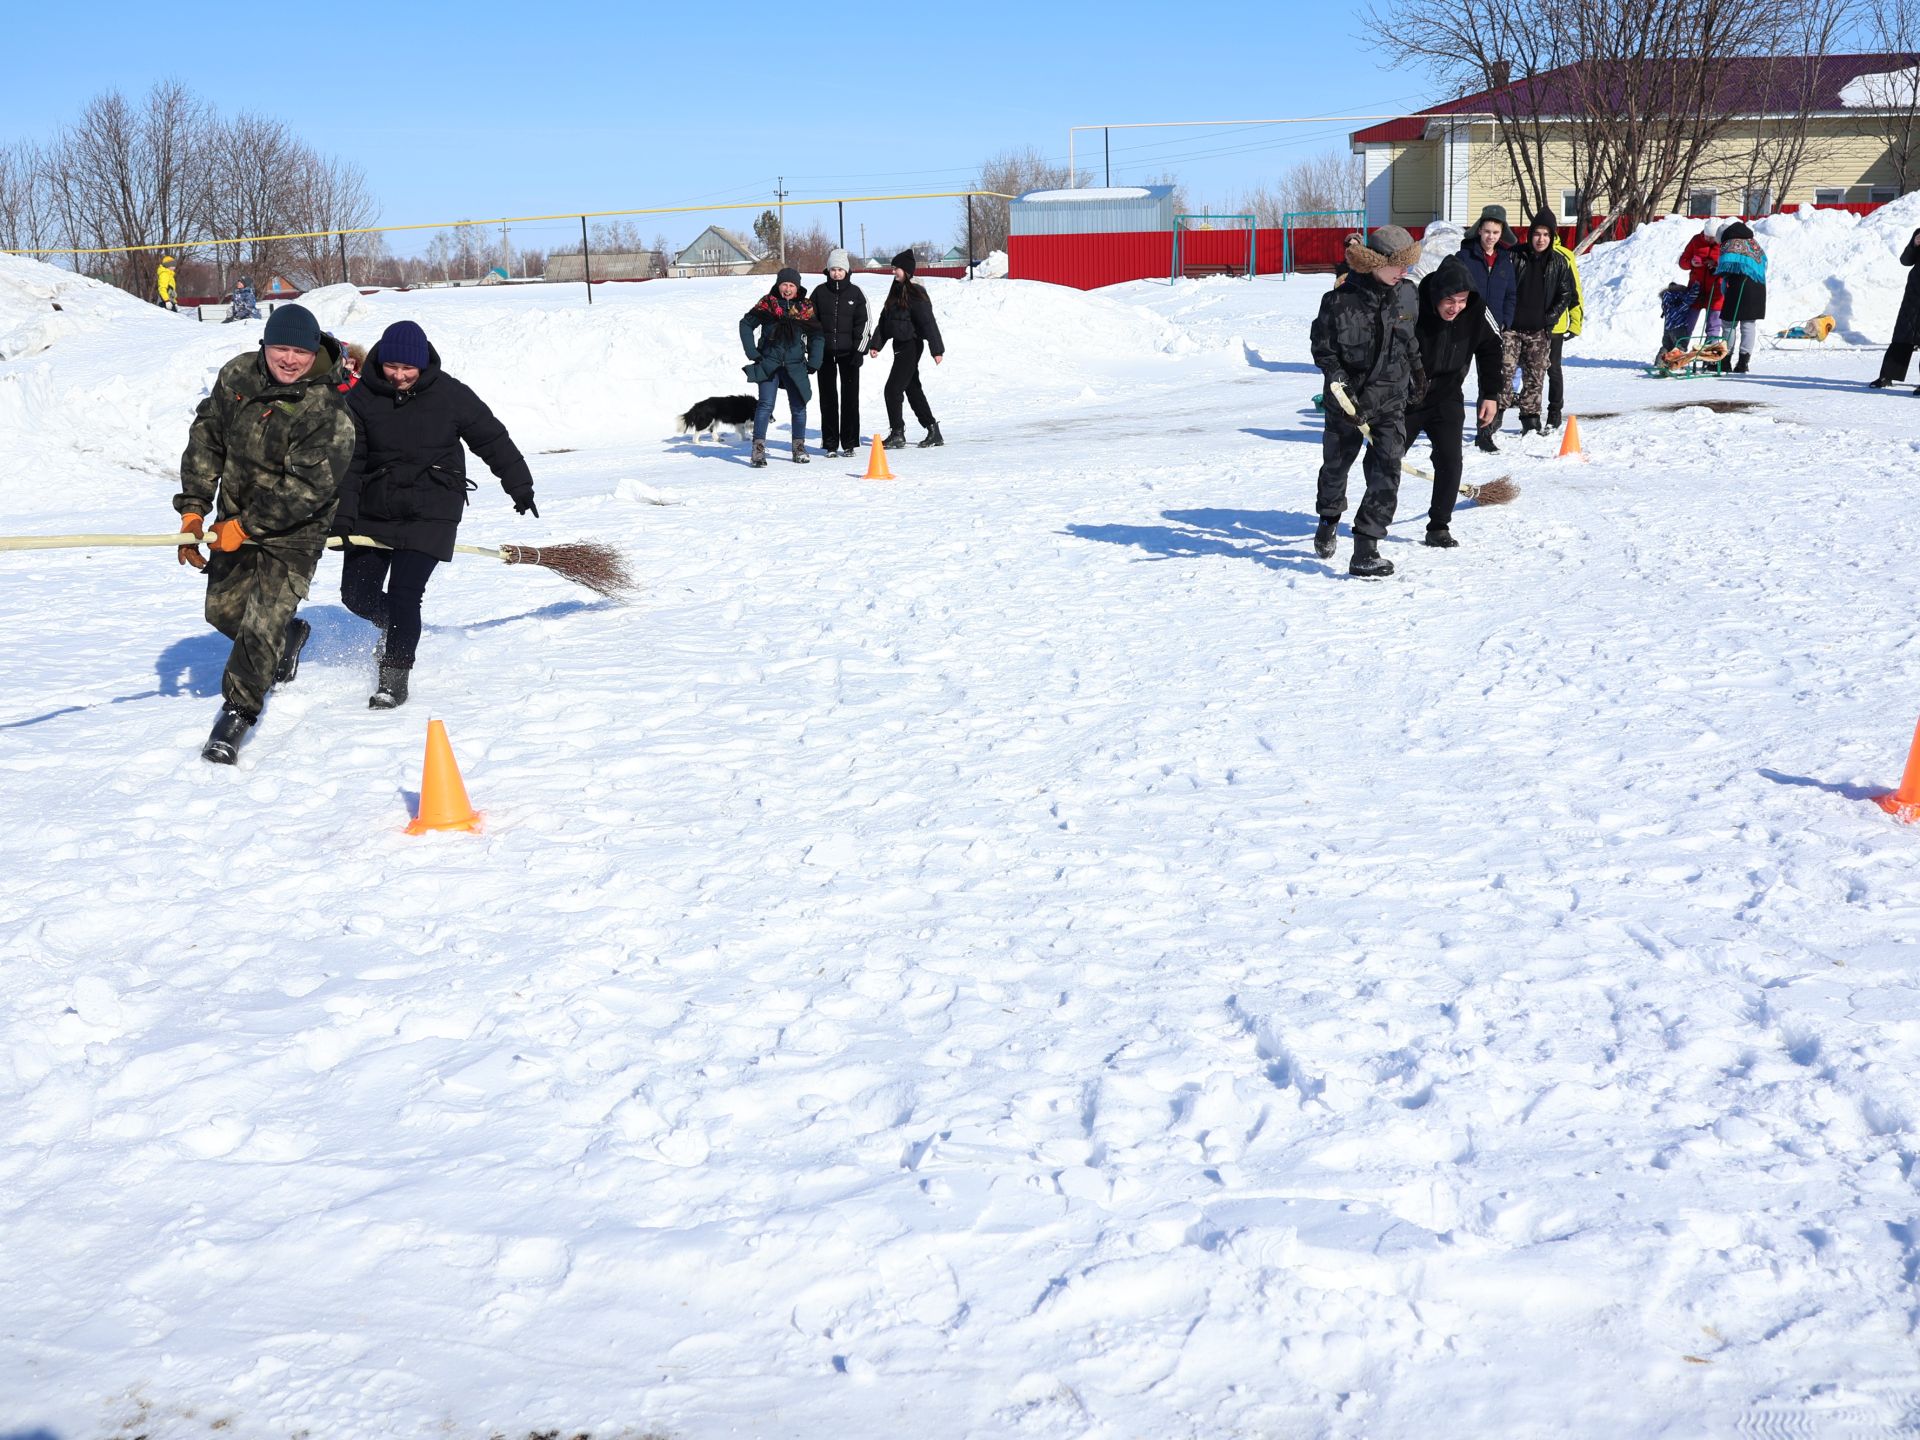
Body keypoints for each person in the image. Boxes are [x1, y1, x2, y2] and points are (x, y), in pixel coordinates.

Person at [174, 302, 356, 763]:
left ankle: (236, 715)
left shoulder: (327, 409)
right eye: (280, 348)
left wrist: (245, 526)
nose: (289, 359)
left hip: (294, 531)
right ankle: (288, 635)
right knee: (223, 613)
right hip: (230, 518)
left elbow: (309, 488)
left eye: (300, 350)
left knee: (258, 630)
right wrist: (194, 511)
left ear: (314, 351)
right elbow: (206, 437)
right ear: (264, 346)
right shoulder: (237, 376)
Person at [333, 319, 539, 709]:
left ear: (423, 363)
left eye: (407, 368)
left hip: (432, 507)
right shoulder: (361, 398)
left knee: (405, 594)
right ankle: (391, 625)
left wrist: (519, 484)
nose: (398, 376)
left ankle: (393, 677)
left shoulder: (451, 395)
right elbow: (350, 462)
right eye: (391, 367)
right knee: (356, 595)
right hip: (375, 508)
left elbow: (491, 438)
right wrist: (343, 518)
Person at [1309, 225, 1423, 579]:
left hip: (1389, 399)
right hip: (1347, 402)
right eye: (1399, 265)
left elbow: (1409, 341)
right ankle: (1328, 518)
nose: (1404, 271)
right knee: (1336, 467)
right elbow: (1323, 349)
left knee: (1387, 467)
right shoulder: (1339, 300)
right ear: (1376, 262)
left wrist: (1419, 373)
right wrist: (1337, 377)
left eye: (1408, 264)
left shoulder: (1408, 294)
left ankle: (1366, 547)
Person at [1405, 255, 1504, 549]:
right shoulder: (1414, 308)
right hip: (1409, 397)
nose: (1456, 307)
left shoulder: (1475, 311)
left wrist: (1490, 393)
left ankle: (1439, 526)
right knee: (1383, 462)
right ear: (1437, 295)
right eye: (1450, 300)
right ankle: (1373, 526)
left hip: (1447, 396)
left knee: (1450, 459)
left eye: (1461, 300)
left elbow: (1491, 348)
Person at [739, 266, 825, 468]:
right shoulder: (767, 304)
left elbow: (817, 335)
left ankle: (799, 448)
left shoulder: (805, 307)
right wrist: (752, 352)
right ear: (778, 285)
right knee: (765, 405)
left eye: (792, 285)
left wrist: (814, 361)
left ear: (797, 287)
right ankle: (758, 450)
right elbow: (745, 324)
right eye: (784, 284)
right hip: (769, 363)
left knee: (799, 406)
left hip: (795, 365)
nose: (787, 289)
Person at [1501, 211, 1576, 436]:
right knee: (1504, 374)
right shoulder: (1514, 256)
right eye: (1537, 234)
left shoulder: (1559, 261)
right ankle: (1494, 418)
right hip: (1512, 329)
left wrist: (1548, 319)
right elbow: (1499, 286)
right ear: (1530, 235)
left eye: (1545, 234)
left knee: (1535, 377)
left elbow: (1567, 293)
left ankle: (1531, 420)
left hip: (1539, 331)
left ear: (1551, 237)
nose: (1541, 239)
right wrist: (1504, 318)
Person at [867, 249, 945, 449]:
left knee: (892, 389)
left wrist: (937, 349)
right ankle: (932, 430)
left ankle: (897, 432)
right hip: (899, 345)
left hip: (911, 345)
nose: (894, 272)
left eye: (897, 268)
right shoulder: (895, 290)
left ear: (907, 270)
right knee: (912, 388)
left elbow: (928, 322)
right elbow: (885, 320)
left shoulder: (916, 293)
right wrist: (876, 344)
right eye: (893, 268)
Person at [1456, 207, 1516, 451]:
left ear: (1501, 234)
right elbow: (1453, 287)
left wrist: (1506, 320)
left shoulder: (1504, 260)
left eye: (1496, 232)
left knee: (1489, 382)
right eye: (1487, 231)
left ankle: (1484, 433)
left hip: (1493, 331)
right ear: (1479, 230)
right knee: (1453, 377)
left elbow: (1511, 294)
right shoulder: (1464, 257)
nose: (1491, 236)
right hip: (1465, 327)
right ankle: (1445, 425)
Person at [812, 248, 869, 457]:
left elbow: (864, 323)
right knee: (827, 399)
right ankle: (830, 444)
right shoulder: (819, 292)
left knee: (850, 399)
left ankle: (850, 442)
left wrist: (859, 351)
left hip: (849, 355)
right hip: (825, 355)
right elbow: (810, 323)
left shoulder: (856, 293)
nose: (836, 273)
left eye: (840, 269)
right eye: (833, 269)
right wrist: (814, 351)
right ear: (828, 270)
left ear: (847, 271)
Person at [1714, 222, 1768, 373]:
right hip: (1757, 286)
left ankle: (1725, 361)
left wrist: (1717, 271)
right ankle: (1743, 363)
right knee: (1748, 324)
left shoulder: (1729, 243)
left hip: (1739, 286)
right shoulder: (1752, 242)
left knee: (1728, 324)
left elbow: (1726, 267)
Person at [1546, 225, 1585, 429]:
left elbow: (1574, 291)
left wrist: (1576, 322)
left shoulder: (1564, 255)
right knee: (1529, 370)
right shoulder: (1528, 253)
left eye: (1547, 233)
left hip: (1556, 325)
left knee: (1553, 368)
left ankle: (1555, 411)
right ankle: (1530, 413)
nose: (1542, 238)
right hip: (1531, 324)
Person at [1875, 228, 1920, 389]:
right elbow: (1906, 261)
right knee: (1903, 335)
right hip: (1914, 295)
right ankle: (1887, 376)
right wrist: (1914, 244)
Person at [1679, 224, 1724, 353]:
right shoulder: (1695, 240)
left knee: (1713, 326)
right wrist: (1691, 263)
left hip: (1716, 290)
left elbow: (1727, 266)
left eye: (1712, 238)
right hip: (1695, 290)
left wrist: (1715, 265)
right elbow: (1683, 261)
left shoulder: (1723, 245)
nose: (1709, 240)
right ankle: (1680, 351)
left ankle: (1709, 354)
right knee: (1688, 324)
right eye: (1706, 236)